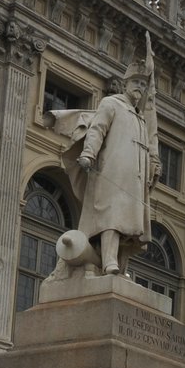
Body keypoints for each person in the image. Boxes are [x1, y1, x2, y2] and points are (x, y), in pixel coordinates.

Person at [54, 52, 158, 277]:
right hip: (112, 169)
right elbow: (97, 129)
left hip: (133, 177)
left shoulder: (140, 117)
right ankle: (109, 260)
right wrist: (89, 153)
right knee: (111, 215)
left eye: (143, 83)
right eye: (136, 82)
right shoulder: (111, 103)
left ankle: (118, 265)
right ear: (125, 84)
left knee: (128, 223)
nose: (140, 87)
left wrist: (152, 166)